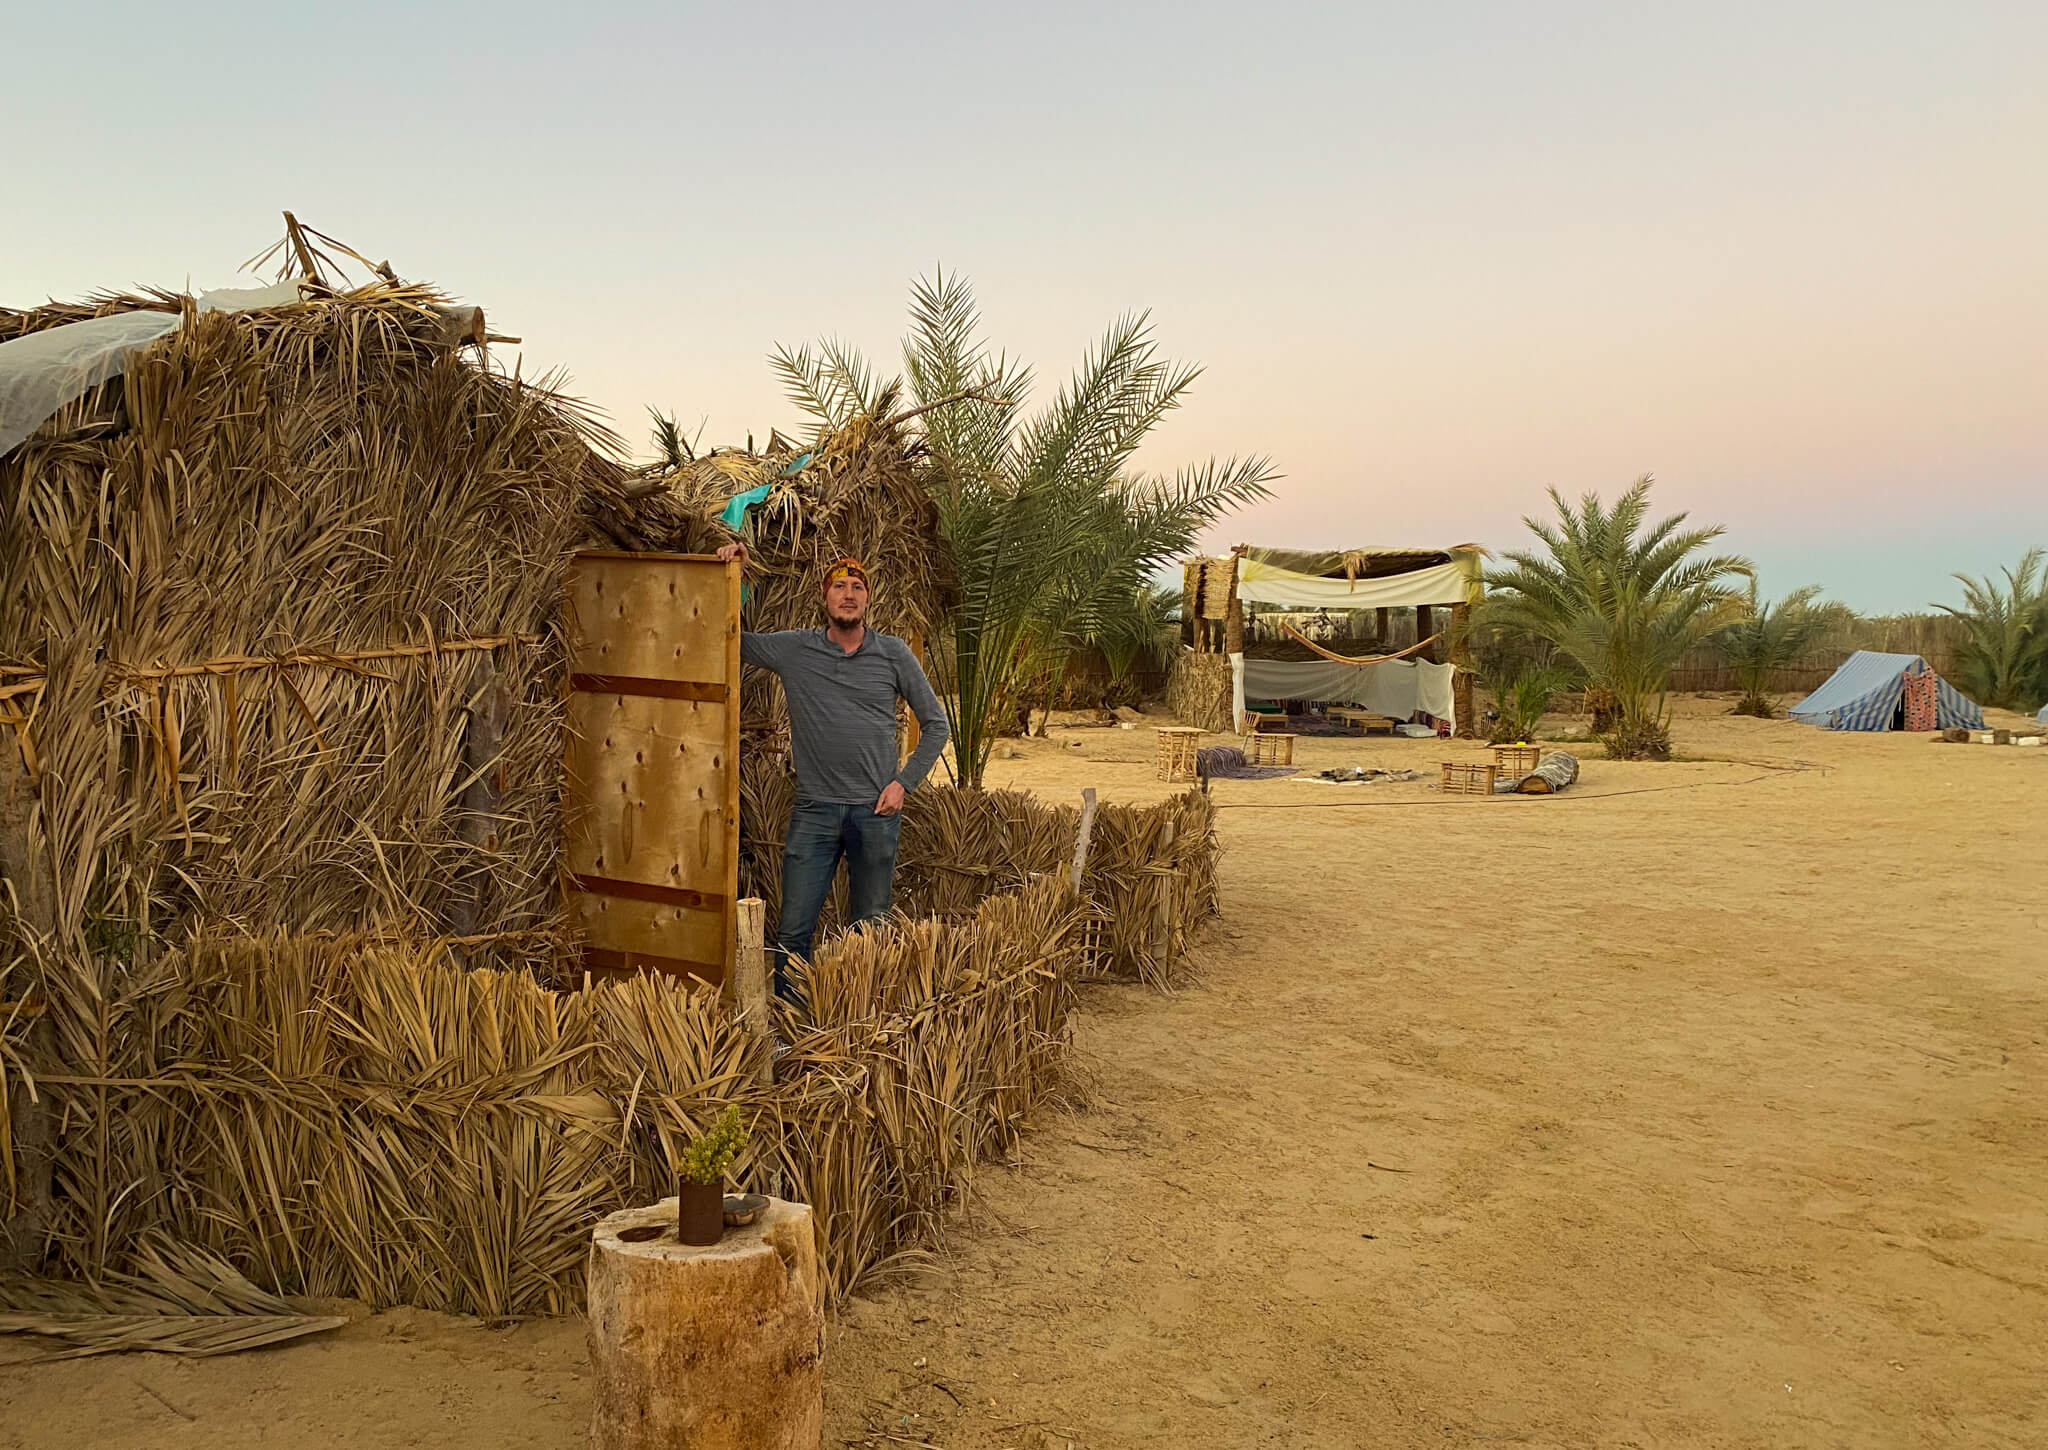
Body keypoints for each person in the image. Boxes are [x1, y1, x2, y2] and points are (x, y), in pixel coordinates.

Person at [714, 543, 950, 1005]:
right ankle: (786, 1022)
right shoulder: (795, 650)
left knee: (870, 924)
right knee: (795, 926)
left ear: (867, 599)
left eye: (857, 587)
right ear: (825, 598)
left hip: (876, 812)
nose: (848, 594)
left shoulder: (894, 654)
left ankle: (859, 1021)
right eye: (839, 586)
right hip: (815, 810)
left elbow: (936, 724)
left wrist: (904, 783)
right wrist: (734, 580)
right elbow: (731, 639)